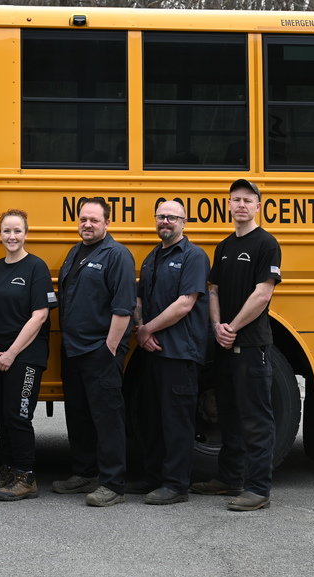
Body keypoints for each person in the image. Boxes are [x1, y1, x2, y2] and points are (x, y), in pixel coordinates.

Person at [190, 179, 282, 512]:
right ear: (228, 205)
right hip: (226, 344)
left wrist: (233, 327)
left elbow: (263, 294)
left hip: (252, 345)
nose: (241, 204)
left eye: (247, 200)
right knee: (228, 414)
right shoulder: (225, 246)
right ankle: (230, 479)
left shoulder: (266, 244)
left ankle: (258, 489)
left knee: (256, 418)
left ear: (259, 206)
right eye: (235, 200)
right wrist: (217, 326)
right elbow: (213, 290)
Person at [53, 197, 136, 507]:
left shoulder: (117, 256)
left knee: (107, 417)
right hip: (74, 349)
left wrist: (108, 350)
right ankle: (84, 472)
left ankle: (113, 483)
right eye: (83, 219)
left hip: (99, 350)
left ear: (107, 223)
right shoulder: (75, 252)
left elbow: (123, 308)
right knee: (79, 415)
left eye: (94, 220)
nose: (87, 224)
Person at [0, 209, 57, 501]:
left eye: (17, 231)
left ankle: (26, 477)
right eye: (7, 231)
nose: (12, 236)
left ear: (26, 234)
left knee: (18, 415)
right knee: (0, 415)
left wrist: (10, 353)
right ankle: (8, 471)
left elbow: (39, 316)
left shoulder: (36, 267)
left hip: (25, 356)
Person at [132, 199, 210, 505]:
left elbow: (184, 304)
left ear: (184, 222)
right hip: (152, 351)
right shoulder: (152, 257)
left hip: (180, 353)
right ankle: (153, 477)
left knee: (177, 421)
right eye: (161, 216)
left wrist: (147, 329)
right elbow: (139, 298)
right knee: (152, 418)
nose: (166, 221)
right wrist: (142, 330)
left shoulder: (193, 256)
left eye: (172, 217)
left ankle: (176, 485)